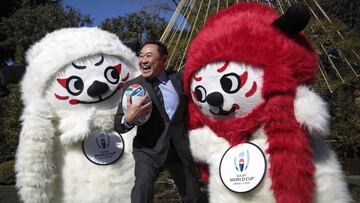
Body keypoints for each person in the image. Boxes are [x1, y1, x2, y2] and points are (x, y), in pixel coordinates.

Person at [114, 40, 205, 203]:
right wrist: (128, 119)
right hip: (148, 150)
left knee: (194, 196)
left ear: (163, 59)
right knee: (142, 189)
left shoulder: (180, 79)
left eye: (149, 55)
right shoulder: (132, 86)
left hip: (178, 149)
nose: (143, 60)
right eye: (141, 56)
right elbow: (118, 124)